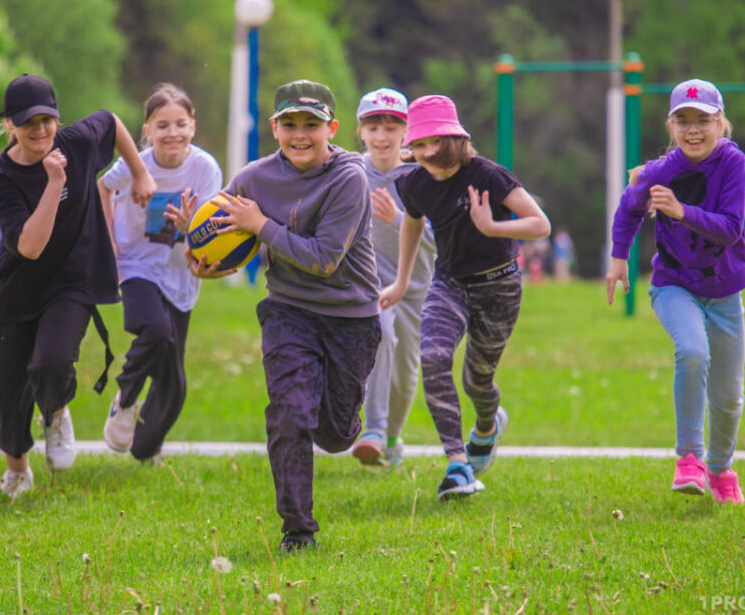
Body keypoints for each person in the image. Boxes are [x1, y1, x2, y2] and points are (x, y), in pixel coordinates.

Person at [187, 80, 381, 552]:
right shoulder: (253, 178)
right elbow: (221, 234)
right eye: (290, 124)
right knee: (290, 413)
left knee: (335, 436)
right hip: (288, 311)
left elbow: (324, 259)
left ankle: (344, 422)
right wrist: (202, 261)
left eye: (311, 125)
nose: (300, 134)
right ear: (274, 128)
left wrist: (262, 226)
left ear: (331, 129)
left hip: (350, 316)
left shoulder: (349, 179)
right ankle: (298, 529)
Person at [0, 74, 156, 497]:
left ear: (58, 118)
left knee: (51, 363)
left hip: (73, 278)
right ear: (9, 125)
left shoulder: (76, 142)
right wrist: (55, 183)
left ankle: (55, 412)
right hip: (19, 287)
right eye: (28, 122)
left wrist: (141, 172)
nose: (39, 130)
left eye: (47, 120)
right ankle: (17, 470)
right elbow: (30, 248)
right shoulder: (2, 177)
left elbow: (111, 122)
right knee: (7, 392)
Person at [379, 95, 551, 501]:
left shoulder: (488, 174)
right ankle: (457, 464)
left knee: (478, 381)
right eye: (417, 145)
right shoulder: (414, 182)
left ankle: (488, 427)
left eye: (432, 143)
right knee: (434, 357)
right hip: (449, 284)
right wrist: (402, 283)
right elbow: (411, 227)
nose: (423, 153)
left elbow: (539, 224)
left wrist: (492, 228)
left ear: (454, 139)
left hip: (500, 287)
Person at [606, 79, 745, 505]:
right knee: (692, 352)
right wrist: (619, 258)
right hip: (673, 285)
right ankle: (689, 458)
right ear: (670, 126)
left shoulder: (733, 162)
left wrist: (679, 211)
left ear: (720, 123)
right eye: (683, 121)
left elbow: (731, 229)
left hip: (724, 291)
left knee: (728, 397)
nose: (693, 130)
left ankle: (721, 470)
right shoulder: (659, 171)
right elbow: (629, 207)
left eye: (703, 120)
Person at [98, 83, 222, 461]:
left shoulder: (205, 169)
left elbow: (210, 234)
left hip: (180, 274)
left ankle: (145, 448)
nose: (173, 133)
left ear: (193, 126)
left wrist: (189, 227)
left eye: (180, 124)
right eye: (162, 125)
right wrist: (108, 243)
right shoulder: (136, 162)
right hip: (135, 264)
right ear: (147, 130)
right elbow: (101, 187)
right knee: (155, 330)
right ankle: (126, 397)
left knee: (174, 383)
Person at [350, 88, 435, 467]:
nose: (381, 136)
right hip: (370, 285)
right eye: (372, 126)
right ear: (360, 131)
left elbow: (439, 239)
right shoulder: (351, 172)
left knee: (404, 373)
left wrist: (399, 220)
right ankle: (374, 430)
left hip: (417, 289)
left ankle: (394, 435)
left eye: (390, 127)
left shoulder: (421, 175)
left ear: (406, 132)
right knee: (381, 333)